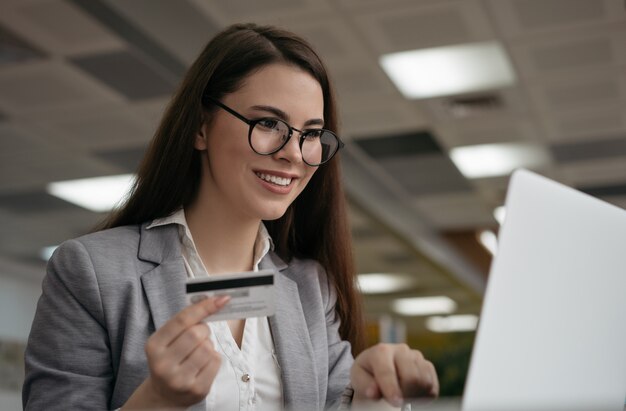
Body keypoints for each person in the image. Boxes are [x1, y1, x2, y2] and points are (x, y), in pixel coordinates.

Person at [22, 23, 438, 410]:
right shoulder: (91, 271)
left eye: (311, 133)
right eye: (269, 122)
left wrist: (367, 395)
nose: (293, 152)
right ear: (200, 128)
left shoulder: (313, 289)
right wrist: (157, 400)